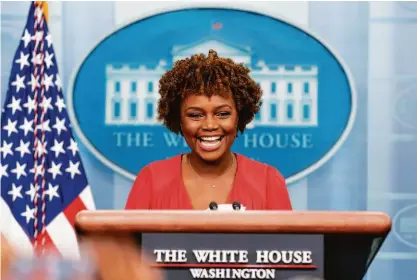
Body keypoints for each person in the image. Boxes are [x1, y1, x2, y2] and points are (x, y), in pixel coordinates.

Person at [125, 50, 292, 211]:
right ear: (179, 119)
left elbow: (288, 240)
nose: (210, 125)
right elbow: (124, 240)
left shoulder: (268, 182)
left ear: (239, 116)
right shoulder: (152, 180)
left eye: (222, 114)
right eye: (195, 115)